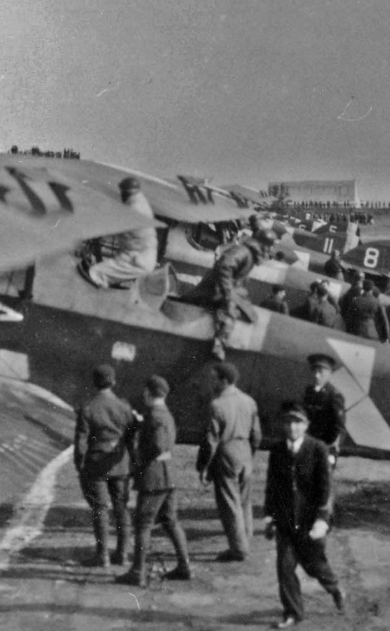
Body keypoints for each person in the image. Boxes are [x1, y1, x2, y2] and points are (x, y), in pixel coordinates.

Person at [263, 402, 345, 628]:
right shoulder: (277, 451)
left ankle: (334, 588)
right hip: (286, 521)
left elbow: (325, 488)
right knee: (285, 567)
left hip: (310, 521)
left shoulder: (317, 449)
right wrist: (269, 516)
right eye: (288, 422)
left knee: (314, 565)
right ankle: (293, 613)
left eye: (297, 422)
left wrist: (321, 519)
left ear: (306, 425)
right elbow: (272, 486)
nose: (292, 427)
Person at [115, 375, 192, 586]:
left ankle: (137, 572)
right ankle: (185, 566)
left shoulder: (154, 416)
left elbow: (157, 446)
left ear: (148, 393)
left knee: (143, 524)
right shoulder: (166, 414)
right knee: (170, 521)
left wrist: (140, 459)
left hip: (154, 478)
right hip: (168, 476)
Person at [195, 362, 262, 562]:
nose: (211, 381)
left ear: (224, 381)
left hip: (226, 452)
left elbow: (210, 441)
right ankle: (246, 536)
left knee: (229, 504)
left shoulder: (217, 405)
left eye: (214, 378)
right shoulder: (249, 401)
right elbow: (257, 434)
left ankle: (239, 549)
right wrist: (250, 453)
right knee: (244, 500)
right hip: (245, 451)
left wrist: (203, 466)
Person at [73, 363, 134, 568]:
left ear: (94, 382)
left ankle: (102, 556)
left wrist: (79, 464)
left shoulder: (88, 407)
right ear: (113, 381)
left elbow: (81, 441)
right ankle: (123, 554)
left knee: (100, 509)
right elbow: (132, 436)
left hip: (96, 463)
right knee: (121, 508)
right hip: (120, 462)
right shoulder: (124, 406)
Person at [188, 228, 278, 360]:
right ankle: (219, 343)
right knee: (230, 310)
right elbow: (225, 266)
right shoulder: (243, 251)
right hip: (215, 289)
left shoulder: (249, 253)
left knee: (247, 307)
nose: (270, 250)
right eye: (269, 246)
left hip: (223, 287)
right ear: (262, 245)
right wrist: (228, 291)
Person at [80, 177, 159, 288]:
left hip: (137, 261)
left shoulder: (134, 208)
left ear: (127, 192)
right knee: (101, 270)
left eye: (122, 192)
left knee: (96, 272)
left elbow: (111, 224)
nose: (121, 195)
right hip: (143, 257)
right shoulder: (140, 201)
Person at [302, 355, 345, 464]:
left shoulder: (335, 395)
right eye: (314, 371)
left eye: (321, 372)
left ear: (329, 374)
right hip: (308, 443)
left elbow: (338, 426)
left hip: (325, 447)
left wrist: (327, 447)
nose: (317, 376)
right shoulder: (309, 392)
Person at [343, 279, 390, 343]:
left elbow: (349, 318)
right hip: (372, 333)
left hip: (357, 331)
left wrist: (348, 331)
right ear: (372, 288)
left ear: (363, 287)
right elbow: (384, 321)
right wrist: (386, 337)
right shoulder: (377, 302)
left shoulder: (356, 300)